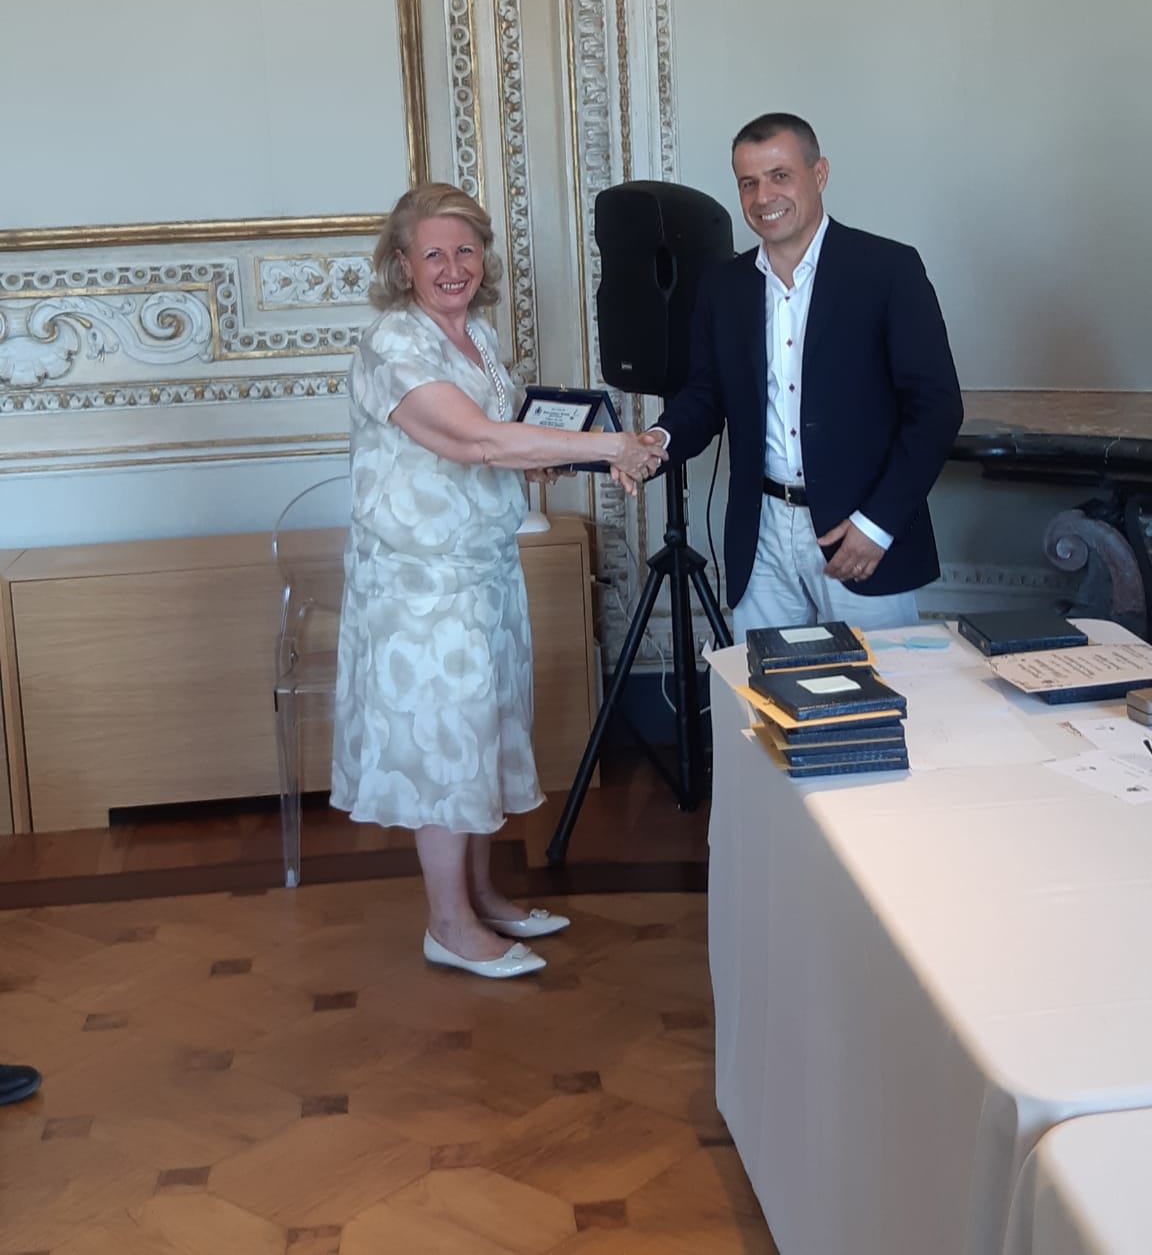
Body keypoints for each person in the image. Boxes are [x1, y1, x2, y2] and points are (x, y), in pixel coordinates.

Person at [332, 183, 660, 980]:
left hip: (481, 572)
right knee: (446, 747)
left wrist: (547, 456)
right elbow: (476, 441)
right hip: (421, 591)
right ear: (402, 264)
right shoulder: (391, 342)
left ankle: (477, 896)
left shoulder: (476, 335)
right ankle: (448, 924)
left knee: (479, 733)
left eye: (466, 250)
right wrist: (610, 448)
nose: (453, 267)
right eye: (433, 254)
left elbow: (503, 446)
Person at [642, 112, 962, 641]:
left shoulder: (888, 270)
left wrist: (878, 524)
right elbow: (705, 396)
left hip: (861, 531)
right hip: (762, 532)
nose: (763, 196)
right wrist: (658, 440)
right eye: (748, 183)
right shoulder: (724, 286)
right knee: (767, 689)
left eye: (780, 176)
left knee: (876, 690)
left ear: (820, 174)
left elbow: (937, 409)